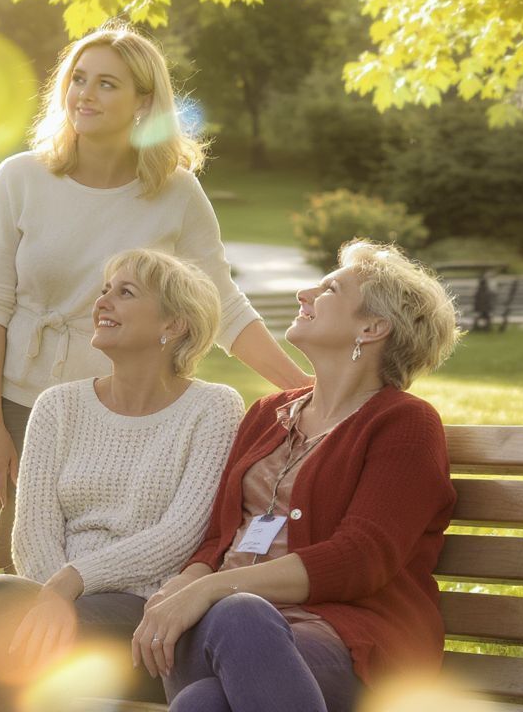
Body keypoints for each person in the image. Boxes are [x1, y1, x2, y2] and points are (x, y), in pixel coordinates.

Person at [0, 21, 311, 571]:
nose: (85, 93)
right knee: (24, 565)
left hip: (127, 412)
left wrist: (308, 390)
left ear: (143, 101)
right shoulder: (20, 178)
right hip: (24, 403)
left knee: (119, 567)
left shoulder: (174, 190)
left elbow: (221, 302)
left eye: (107, 84)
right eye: (78, 78)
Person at [131, 240, 462, 712]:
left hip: (351, 641)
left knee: (213, 676)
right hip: (224, 629)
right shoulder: (267, 414)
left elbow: (359, 559)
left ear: (372, 327)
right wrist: (184, 585)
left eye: (329, 288)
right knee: (212, 672)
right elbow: (218, 540)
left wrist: (211, 590)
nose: (304, 293)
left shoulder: (404, 424)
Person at [0, 249, 247, 712]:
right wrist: (52, 598)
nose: (103, 302)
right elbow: (32, 530)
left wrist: (72, 582)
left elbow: (181, 536)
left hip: (145, 615)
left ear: (174, 325)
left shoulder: (214, 408)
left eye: (125, 293)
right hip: (52, 600)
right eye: (104, 290)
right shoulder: (57, 406)